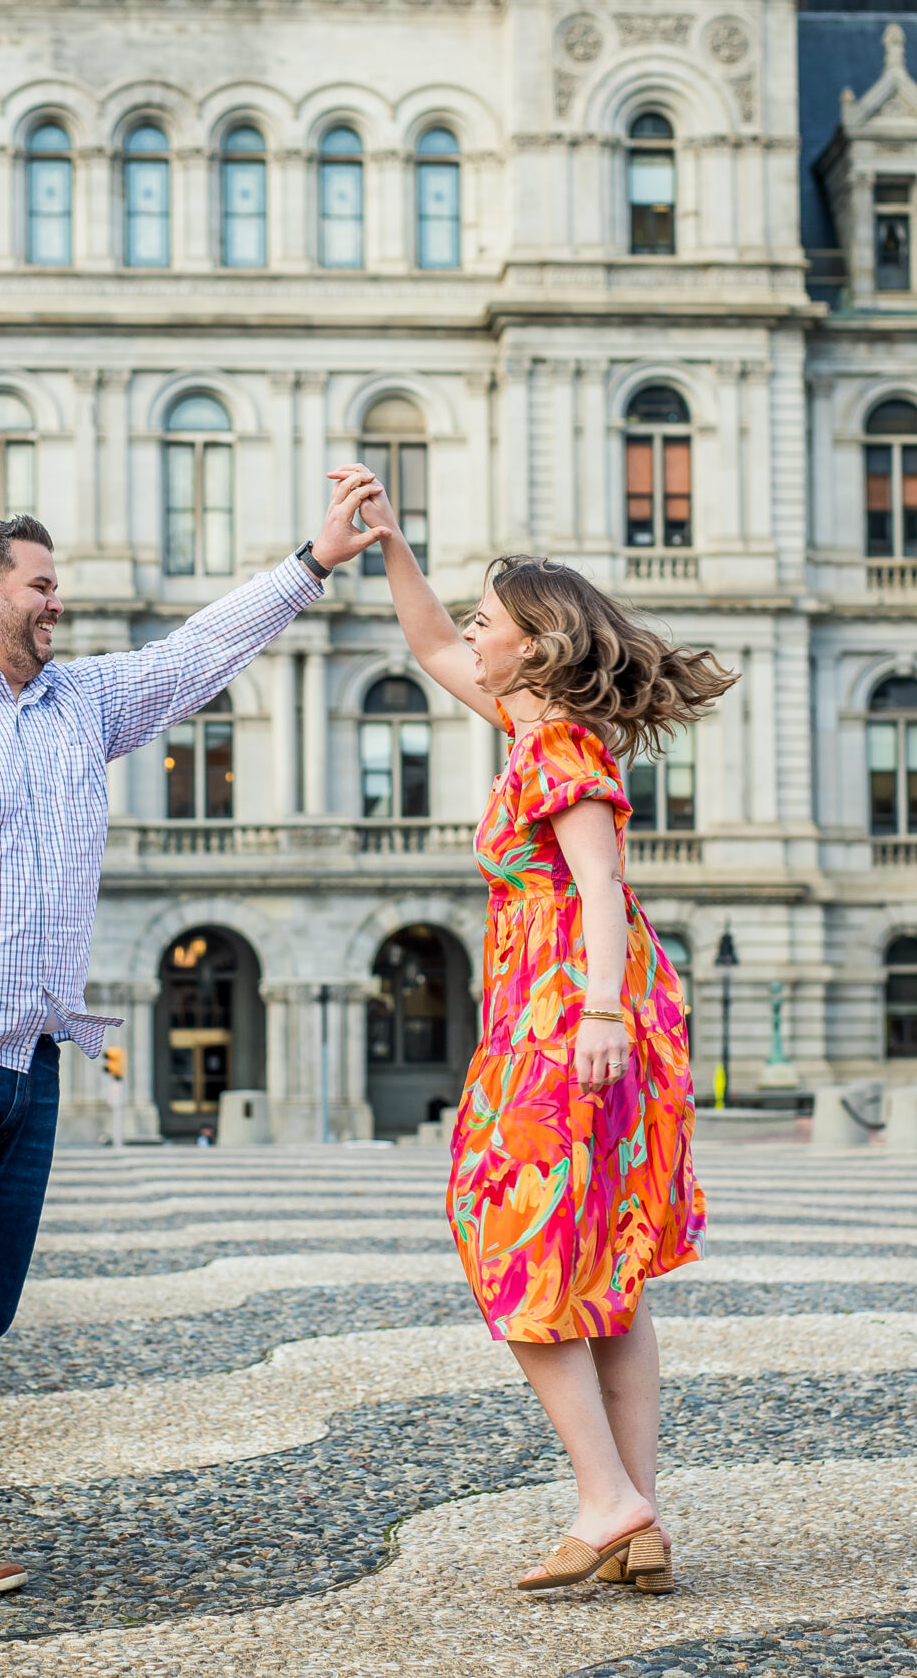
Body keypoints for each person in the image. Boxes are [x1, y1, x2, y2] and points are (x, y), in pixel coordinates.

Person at [0, 479, 386, 1607]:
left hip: (25, 1056)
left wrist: (310, 562)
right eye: (42, 584)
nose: (58, 603)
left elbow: (199, 651)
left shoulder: (79, 706)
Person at [350, 467, 734, 1595]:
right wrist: (388, 544)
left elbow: (604, 887)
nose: (471, 631)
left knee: (506, 1239)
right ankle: (637, 1516)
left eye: (490, 621)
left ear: (535, 646)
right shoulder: (526, 722)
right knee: (602, 1264)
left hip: (573, 1013)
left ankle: (608, 1498)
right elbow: (426, 642)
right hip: (566, 1008)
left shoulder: (559, 753)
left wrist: (604, 1016)